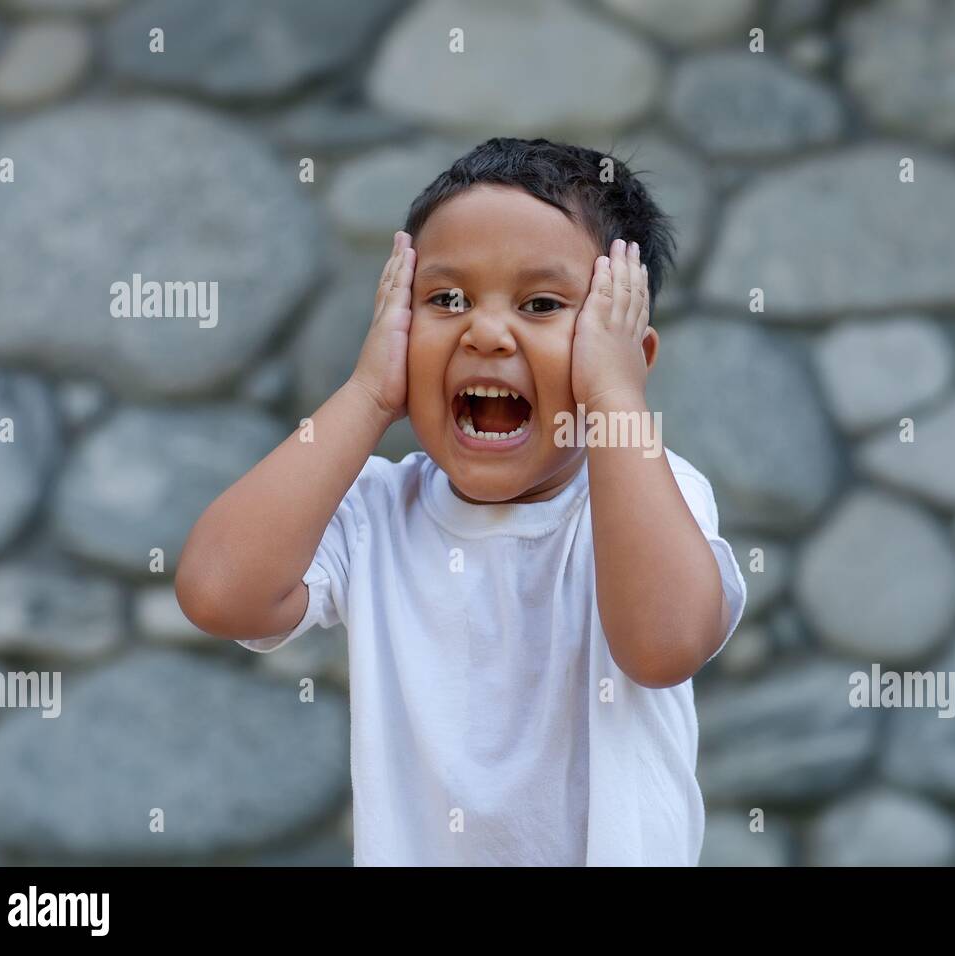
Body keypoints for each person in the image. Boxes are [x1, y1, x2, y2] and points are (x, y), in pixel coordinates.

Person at [176, 137, 747, 866]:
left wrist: (613, 397)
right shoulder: (379, 512)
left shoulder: (649, 498)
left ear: (631, 353)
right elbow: (218, 592)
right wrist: (367, 393)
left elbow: (663, 647)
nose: (484, 332)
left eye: (541, 304)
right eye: (446, 300)